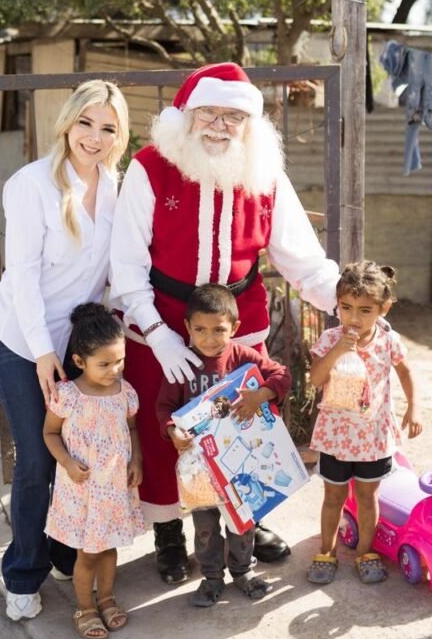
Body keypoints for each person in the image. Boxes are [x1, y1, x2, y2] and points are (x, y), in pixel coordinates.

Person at [110, 61, 340, 583]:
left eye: (232, 117)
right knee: (165, 431)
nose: (219, 126)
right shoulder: (149, 167)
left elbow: (302, 258)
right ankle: (169, 532)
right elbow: (125, 263)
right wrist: (158, 335)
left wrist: (344, 299)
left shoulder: (265, 175)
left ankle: (247, 522)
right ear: (185, 116)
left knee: (244, 428)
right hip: (161, 321)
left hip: (239, 326)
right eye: (208, 113)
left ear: (249, 124)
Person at [0, 80, 130, 621]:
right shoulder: (31, 185)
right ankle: (24, 572)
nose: (94, 137)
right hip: (22, 340)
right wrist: (43, 353)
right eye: (86, 123)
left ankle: (69, 550)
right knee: (38, 458)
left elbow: (116, 273)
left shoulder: (115, 187)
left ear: (119, 137)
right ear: (68, 123)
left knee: (83, 454)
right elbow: (20, 275)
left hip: (77, 345)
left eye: (108, 128)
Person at [155, 284, 291, 606]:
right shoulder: (182, 365)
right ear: (187, 327)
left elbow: (282, 375)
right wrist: (173, 432)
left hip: (240, 465)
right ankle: (212, 578)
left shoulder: (243, 357)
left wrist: (260, 395)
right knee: (205, 527)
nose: (209, 338)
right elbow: (164, 408)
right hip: (200, 471)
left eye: (219, 329)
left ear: (235, 327)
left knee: (242, 522)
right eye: (200, 329)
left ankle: (243, 571)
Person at [306, 260, 422, 585]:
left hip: (373, 437)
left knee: (368, 498)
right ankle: (326, 552)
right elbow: (316, 379)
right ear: (338, 305)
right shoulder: (330, 338)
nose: (353, 318)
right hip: (337, 437)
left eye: (365, 310)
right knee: (333, 498)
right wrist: (337, 351)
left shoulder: (388, 341)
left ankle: (365, 553)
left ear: (383, 309)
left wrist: (414, 407)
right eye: (346, 308)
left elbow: (406, 372)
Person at [43, 303, 145, 639]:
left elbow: (132, 429)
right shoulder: (68, 396)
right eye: (104, 364)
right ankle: (84, 608)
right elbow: (50, 433)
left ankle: (107, 598)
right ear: (79, 361)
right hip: (83, 489)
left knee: (110, 546)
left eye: (119, 361)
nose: (114, 370)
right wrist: (67, 462)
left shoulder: (124, 392)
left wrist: (137, 460)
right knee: (87, 553)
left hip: (113, 487)